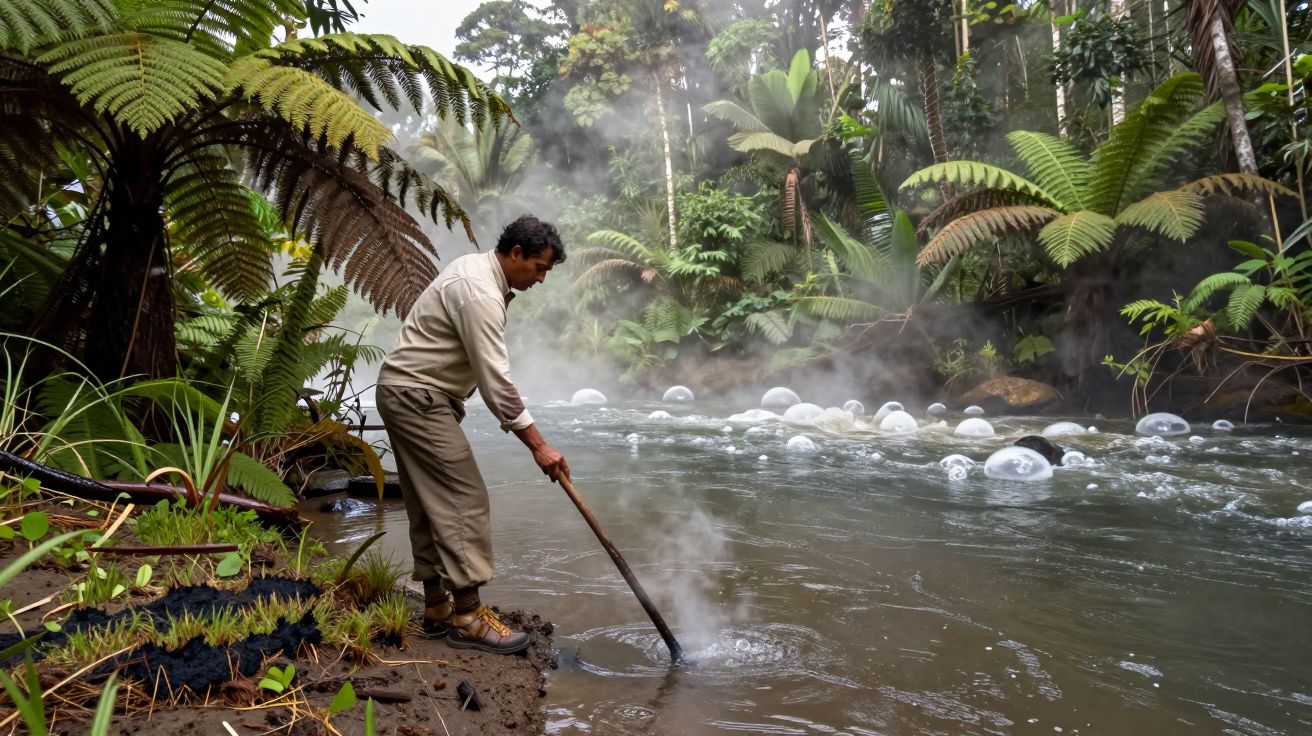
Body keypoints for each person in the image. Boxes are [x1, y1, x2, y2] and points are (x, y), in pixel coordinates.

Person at [375, 215, 570, 655]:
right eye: (539, 268)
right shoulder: (479, 292)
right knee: (464, 498)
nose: (541, 279)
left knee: (429, 501)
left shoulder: (476, 272)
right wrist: (539, 446)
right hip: (418, 396)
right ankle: (467, 618)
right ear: (515, 253)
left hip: (405, 392)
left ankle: (437, 606)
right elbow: (496, 382)